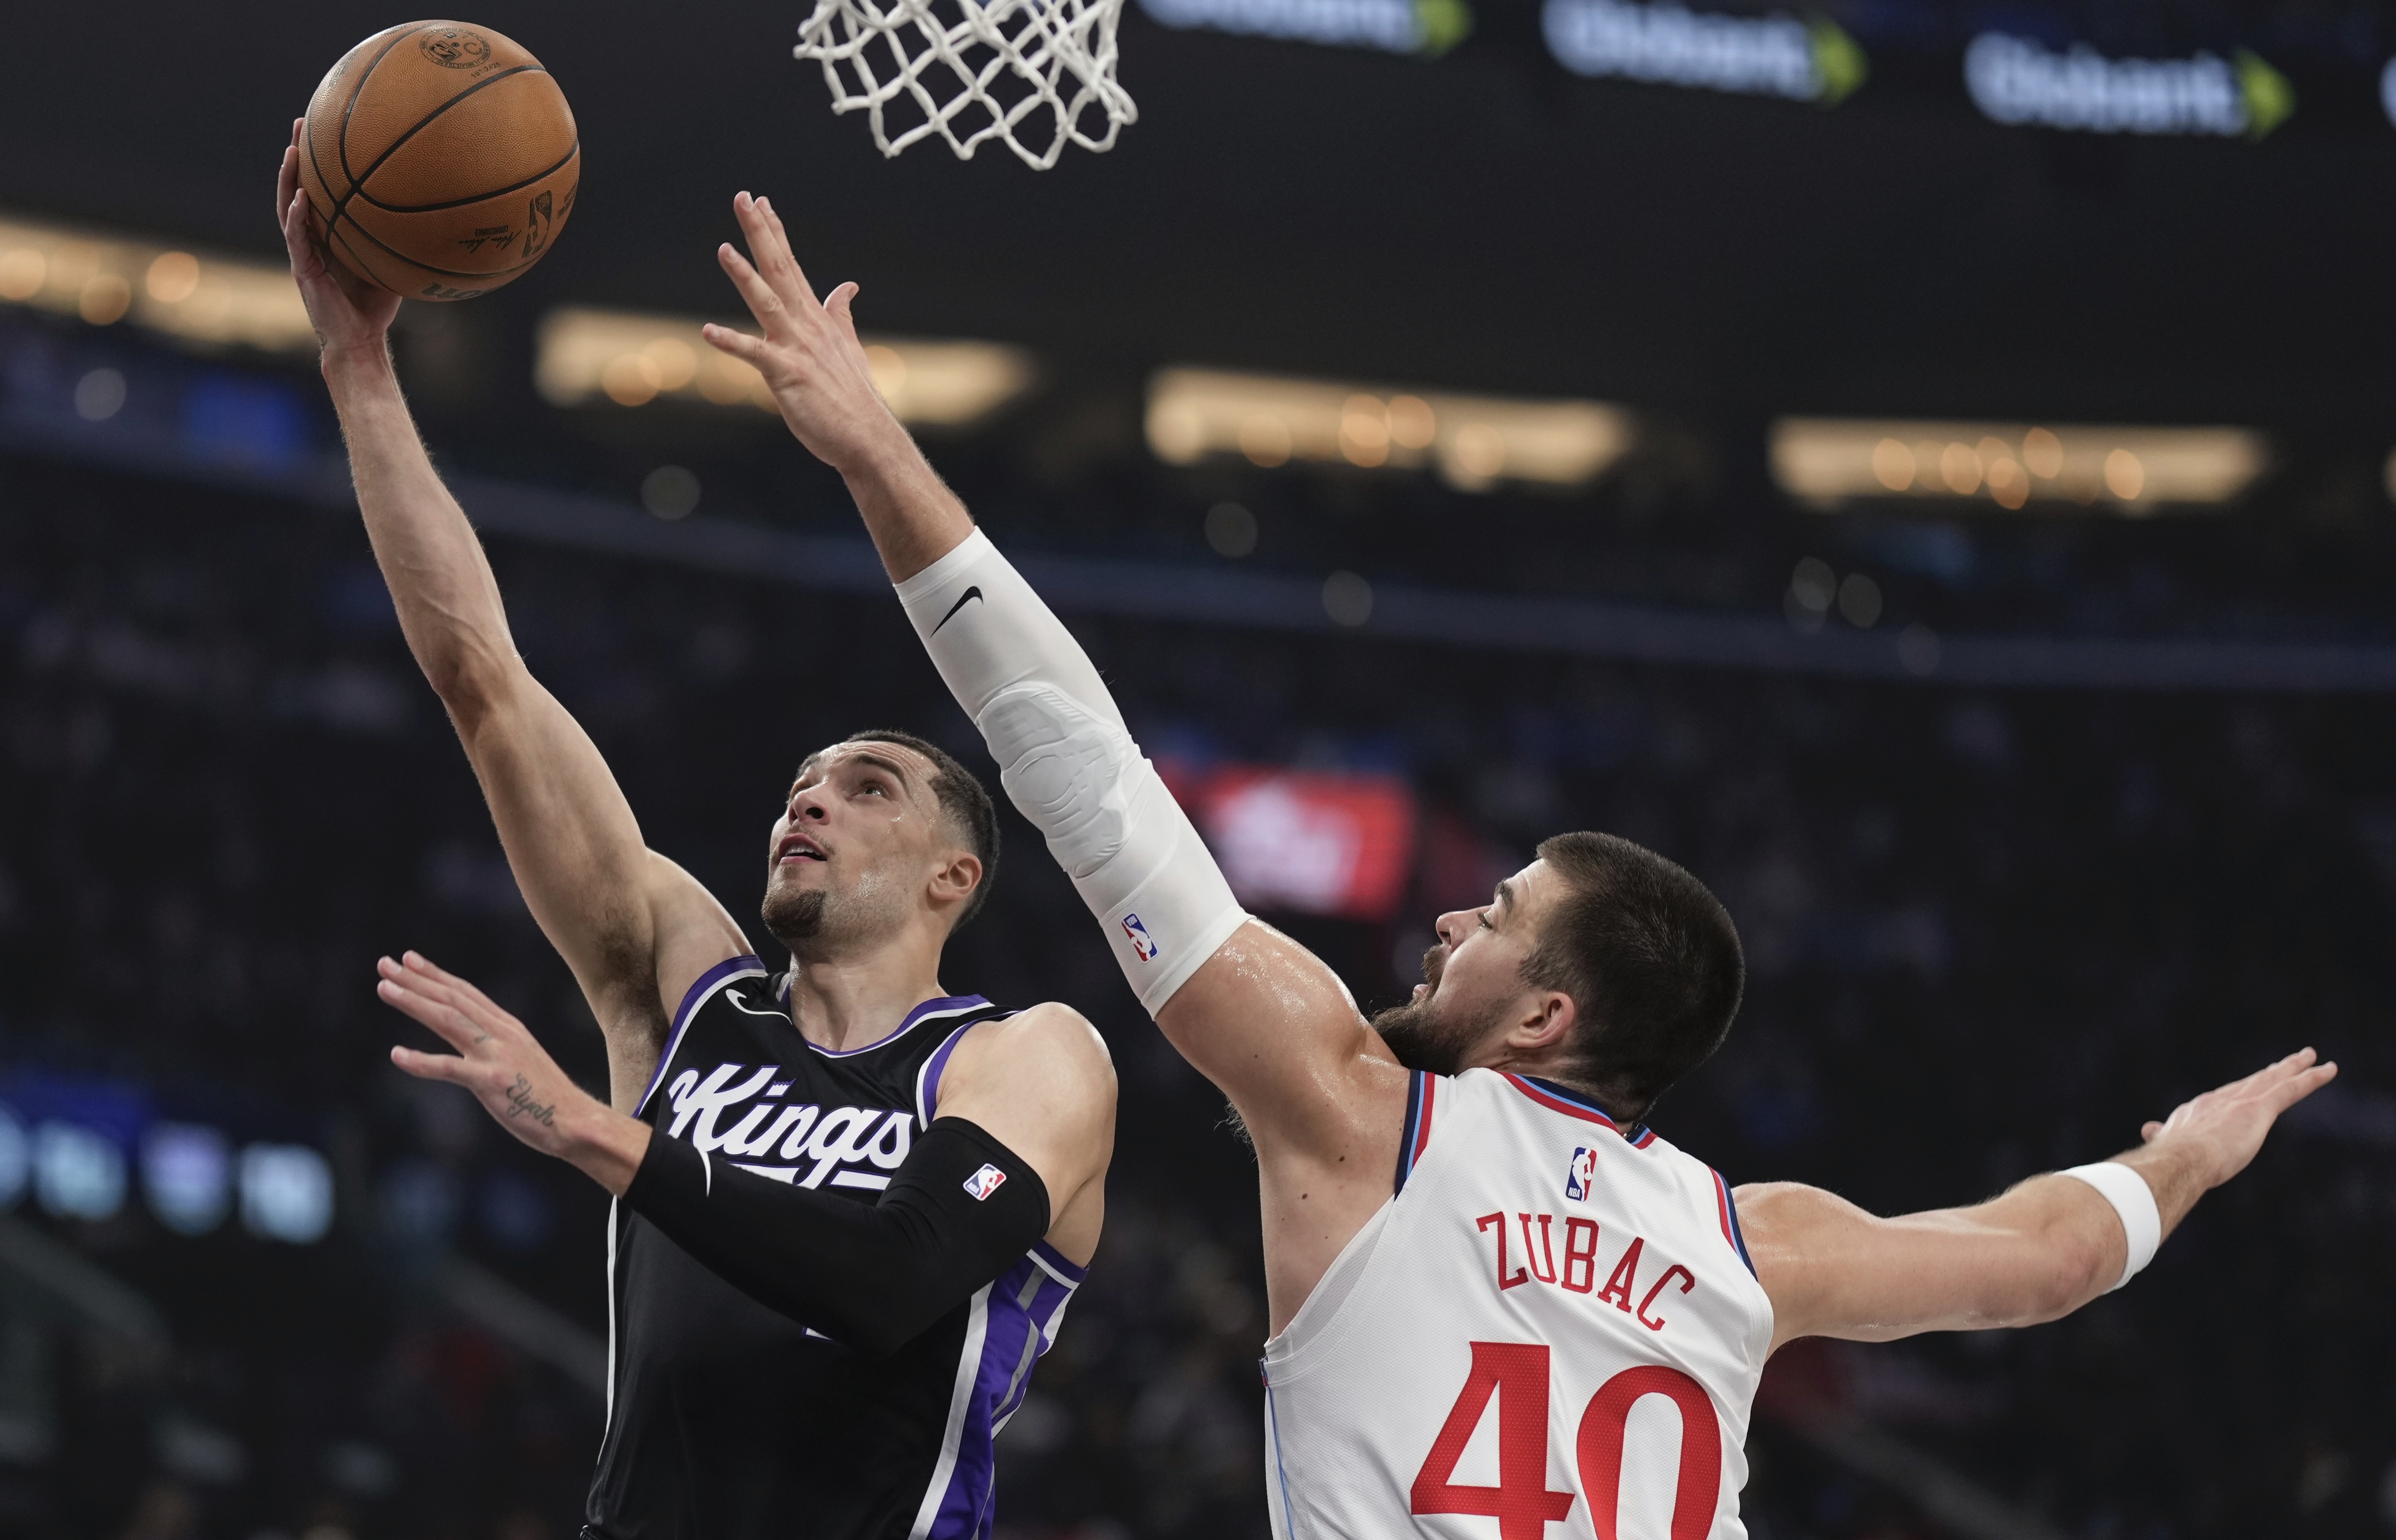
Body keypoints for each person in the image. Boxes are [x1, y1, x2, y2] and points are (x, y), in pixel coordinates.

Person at [696, 188, 2341, 1539]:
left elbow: (1083, 770)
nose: (1443, 918)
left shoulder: (1355, 1105)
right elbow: (2053, 1253)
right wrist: (2193, 1149)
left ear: (1549, 1011)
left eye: (1493, 914)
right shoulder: (1752, 1235)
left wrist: (877, 456)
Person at [273, 132, 1117, 1540]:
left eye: (868, 788)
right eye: (803, 780)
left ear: (953, 876)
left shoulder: (1028, 1057)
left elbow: (884, 1286)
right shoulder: (688, 992)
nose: (811, 799)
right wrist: (359, 367)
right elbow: (485, 678)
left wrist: (598, 1135)